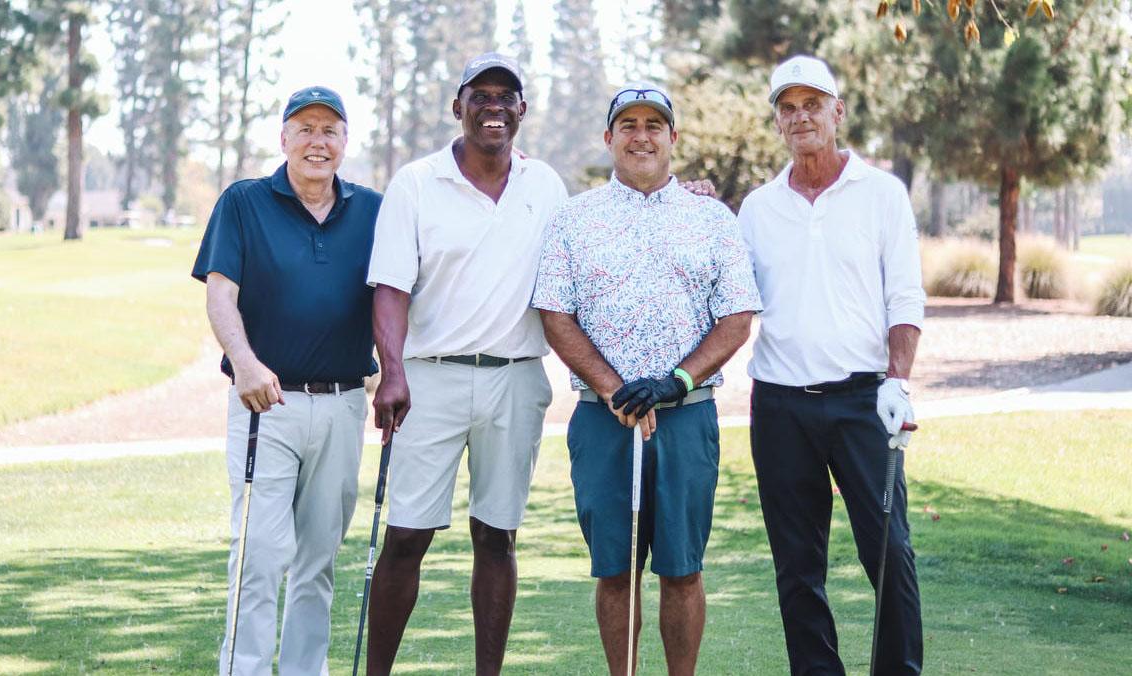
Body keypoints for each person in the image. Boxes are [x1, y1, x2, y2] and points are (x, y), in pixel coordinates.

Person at [532, 82, 761, 675]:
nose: (641, 135)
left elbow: (737, 318)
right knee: (615, 568)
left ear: (672, 138)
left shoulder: (710, 218)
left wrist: (676, 381)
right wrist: (614, 388)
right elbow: (555, 315)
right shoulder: (573, 219)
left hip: (687, 417)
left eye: (653, 124)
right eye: (627, 125)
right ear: (609, 138)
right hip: (602, 420)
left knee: (682, 568)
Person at [363, 52, 569, 675]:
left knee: (497, 535)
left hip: (515, 378)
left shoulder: (547, 187)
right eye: (480, 96)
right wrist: (392, 372)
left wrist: (689, 192)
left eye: (507, 97)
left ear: (522, 112)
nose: (494, 108)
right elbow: (390, 288)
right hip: (429, 380)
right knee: (406, 535)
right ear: (458, 107)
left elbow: (586, 261)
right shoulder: (417, 182)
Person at [738, 55, 926, 675]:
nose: (800, 117)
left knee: (890, 552)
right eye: (787, 108)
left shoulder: (880, 194)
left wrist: (899, 378)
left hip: (864, 401)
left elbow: (904, 297)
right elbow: (729, 296)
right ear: (777, 123)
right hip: (781, 404)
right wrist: (697, 203)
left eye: (812, 104)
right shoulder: (758, 208)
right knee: (797, 567)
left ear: (837, 111)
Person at [192, 86, 381, 676]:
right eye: (305, 129)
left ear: (345, 142)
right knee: (258, 556)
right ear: (283, 139)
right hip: (264, 405)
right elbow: (221, 292)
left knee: (318, 561)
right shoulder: (244, 202)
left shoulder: (374, 209)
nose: (317, 142)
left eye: (330, 130)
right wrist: (244, 363)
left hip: (344, 404)